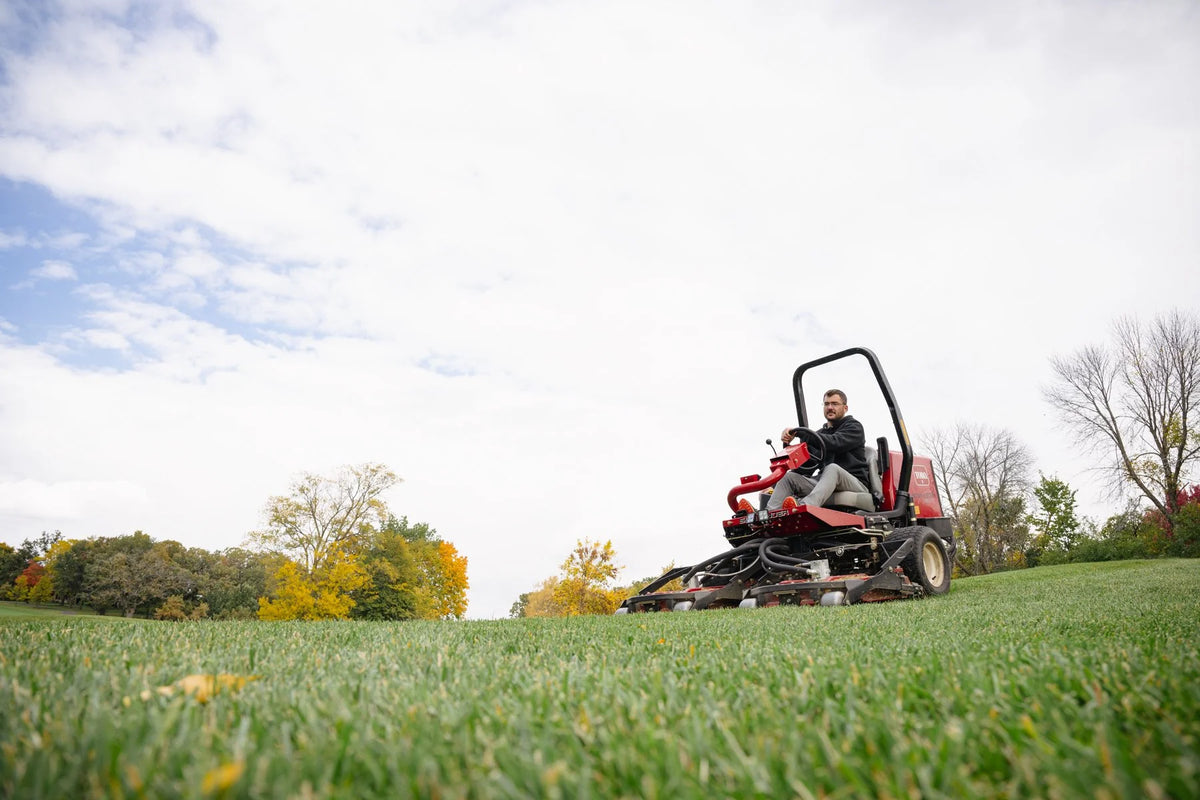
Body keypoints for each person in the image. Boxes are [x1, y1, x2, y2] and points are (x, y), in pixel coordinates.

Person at [751, 389, 871, 512]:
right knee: (790, 477)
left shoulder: (854, 427)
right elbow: (806, 467)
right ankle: (767, 514)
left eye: (834, 404)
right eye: (826, 404)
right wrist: (788, 443)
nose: (829, 407)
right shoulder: (819, 435)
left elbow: (835, 442)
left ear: (845, 408)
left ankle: (803, 507)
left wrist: (801, 433)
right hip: (826, 482)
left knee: (832, 468)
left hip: (854, 483)